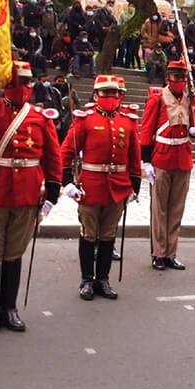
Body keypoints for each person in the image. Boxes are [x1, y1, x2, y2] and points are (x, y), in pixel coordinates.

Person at [0, 61, 62, 332]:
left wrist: (53, 192)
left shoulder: (39, 116)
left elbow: (52, 157)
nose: (21, 88)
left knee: (14, 252)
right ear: (5, 84)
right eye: (15, 83)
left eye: (25, 82)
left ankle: (9, 307)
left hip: (26, 194)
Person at [61, 75, 141, 300]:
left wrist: (135, 187)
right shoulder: (84, 119)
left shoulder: (128, 121)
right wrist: (67, 182)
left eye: (114, 93)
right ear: (96, 95)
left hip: (118, 187)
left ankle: (103, 279)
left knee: (108, 235)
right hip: (91, 186)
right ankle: (87, 279)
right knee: (88, 234)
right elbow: (65, 153)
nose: (111, 97)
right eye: (105, 93)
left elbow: (134, 157)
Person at [140, 60, 195, 271]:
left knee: (176, 209)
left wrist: (194, 130)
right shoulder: (157, 99)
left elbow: (190, 124)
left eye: (183, 77)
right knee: (159, 209)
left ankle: (170, 253)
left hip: (182, 158)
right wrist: (145, 161)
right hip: (161, 158)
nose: (180, 81)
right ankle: (158, 252)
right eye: (176, 77)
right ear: (168, 78)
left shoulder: (190, 99)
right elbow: (146, 130)